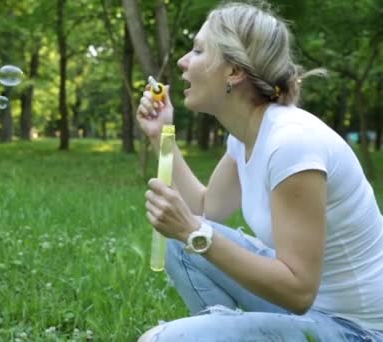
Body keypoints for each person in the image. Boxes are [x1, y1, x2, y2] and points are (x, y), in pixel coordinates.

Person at [136, 2, 383, 341]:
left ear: (234, 71)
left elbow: (298, 292)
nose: (183, 61)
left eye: (197, 50)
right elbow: (207, 209)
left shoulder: (291, 144)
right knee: (181, 242)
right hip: (308, 312)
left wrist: (194, 231)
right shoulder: (247, 135)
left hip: (355, 330)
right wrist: (161, 136)